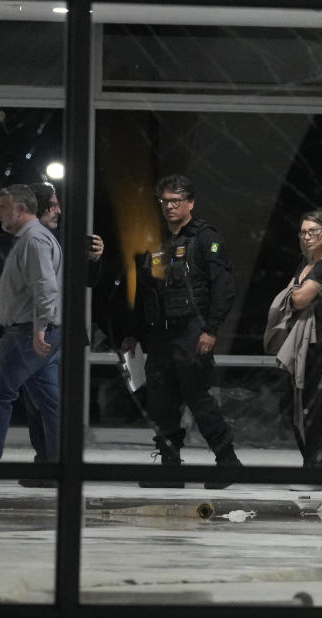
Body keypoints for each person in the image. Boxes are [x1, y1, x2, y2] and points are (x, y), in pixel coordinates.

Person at [121, 174, 241, 489]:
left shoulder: (205, 238)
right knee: (160, 400)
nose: (169, 207)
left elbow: (224, 289)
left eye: (176, 201)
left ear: (190, 203)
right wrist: (134, 333)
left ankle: (227, 461)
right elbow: (144, 293)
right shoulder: (156, 240)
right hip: (160, 334)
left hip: (192, 330)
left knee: (197, 398)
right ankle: (170, 466)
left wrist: (211, 330)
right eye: (165, 201)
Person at [0, 185, 63, 487]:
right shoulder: (32, 240)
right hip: (31, 331)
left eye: (3, 207)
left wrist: (38, 329)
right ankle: (55, 470)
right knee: (51, 404)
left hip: (31, 332)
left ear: (20, 209)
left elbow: (45, 288)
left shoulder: (33, 241)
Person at [285, 211, 322, 467]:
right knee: (296, 406)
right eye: (304, 232)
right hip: (304, 343)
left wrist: (294, 294)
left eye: (313, 231)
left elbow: (297, 299)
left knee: (314, 405)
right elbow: (293, 294)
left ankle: (314, 465)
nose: (307, 236)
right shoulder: (306, 263)